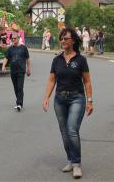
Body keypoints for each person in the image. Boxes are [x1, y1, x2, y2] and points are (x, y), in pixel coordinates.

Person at [42, 27, 93, 179]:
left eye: (66, 38)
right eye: (62, 39)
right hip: (60, 100)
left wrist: (89, 101)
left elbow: (87, 81)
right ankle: (70, 160)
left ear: (73, 41)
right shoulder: (56, 60)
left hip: (77, 98)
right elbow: (52, 80)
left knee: (71, 130)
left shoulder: (81, 60)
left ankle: (77, 164)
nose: (63, 41)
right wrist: (46, 97)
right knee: (65, 133)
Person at [2, 31, 31, 112]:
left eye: (15, 38)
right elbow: (6, 58)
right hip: (13, 71)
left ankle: (19, 104)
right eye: (12, 39)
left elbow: (28, 59)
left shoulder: (24, 48)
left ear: (18, 38)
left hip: (21, 71)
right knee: (15, 88)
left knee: (20, 87)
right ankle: (18, 101)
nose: (13, 40)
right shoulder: (10, 48)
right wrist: (3, 66)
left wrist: (28, 69)